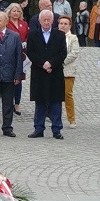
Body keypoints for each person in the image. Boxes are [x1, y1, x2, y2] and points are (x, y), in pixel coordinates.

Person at [26, 10, 67, 139]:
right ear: (39, 21)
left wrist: (51, 64)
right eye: (43, 20)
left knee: (56, 101)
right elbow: (30, 52)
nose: (46, 22)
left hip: (55, 72)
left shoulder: (60, 35)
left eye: (48, 19)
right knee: (40, 101)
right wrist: (43, 64)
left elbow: (62, 53)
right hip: (39, 72)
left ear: (52, 21)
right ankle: (38, 128)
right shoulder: (33, 35)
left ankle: (56, 129)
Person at [5, 2, 29, 116]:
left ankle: (17, 103)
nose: (16, 13)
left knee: (18, 79)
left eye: (18, 11)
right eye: (14, 11)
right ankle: (8, 103)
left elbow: (28, 35)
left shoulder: (24, 24)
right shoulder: (6, 24)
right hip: (9, 54)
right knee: (9, 79)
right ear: (9, 12)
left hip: (21, 55)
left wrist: (26, 43)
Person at [59, 16, 80, 128]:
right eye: (61, 23)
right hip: (55, 71)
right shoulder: (54, 36)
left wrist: (61, 62)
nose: (63, 25)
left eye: (65, 23)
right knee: (54, 95)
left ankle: (72, 119)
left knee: (68, 94)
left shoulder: (73, 38)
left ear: (69, 25)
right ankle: (55, 118)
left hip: (68, 70)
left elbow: (74, 53)